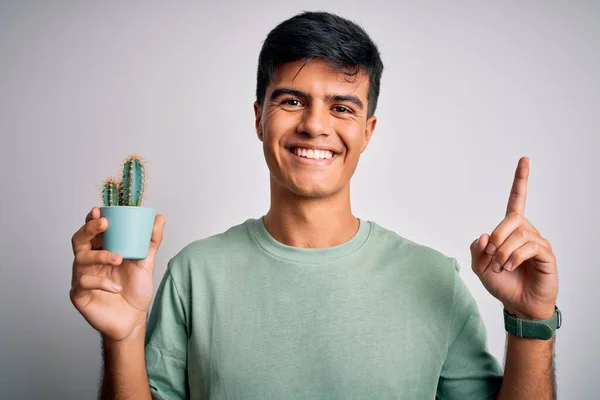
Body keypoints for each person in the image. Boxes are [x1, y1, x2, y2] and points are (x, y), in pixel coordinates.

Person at [70, 11, 559, 400]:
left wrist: (531, 320)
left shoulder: (436, 280)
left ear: (367, 132)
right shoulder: (194, 274)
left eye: (342, 107)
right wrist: (124, 338)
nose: (315, 126)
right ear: (260, 119)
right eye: (292, 101)